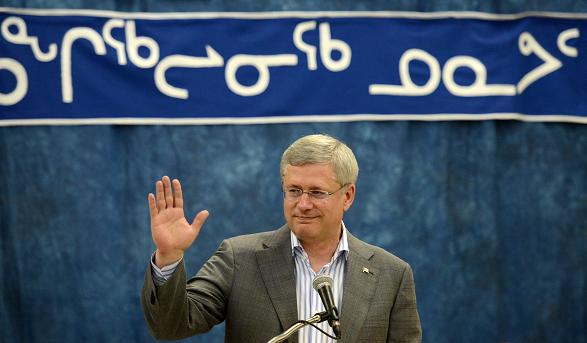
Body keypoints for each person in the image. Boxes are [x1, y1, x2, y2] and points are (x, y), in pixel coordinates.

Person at [141, 134, 422, 342]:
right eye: (294, 190)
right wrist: (169, 256)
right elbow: (171, 326)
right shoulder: (239, 258)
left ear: (347, 196)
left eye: (317, 192)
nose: (303, 204)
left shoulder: (391, 274)